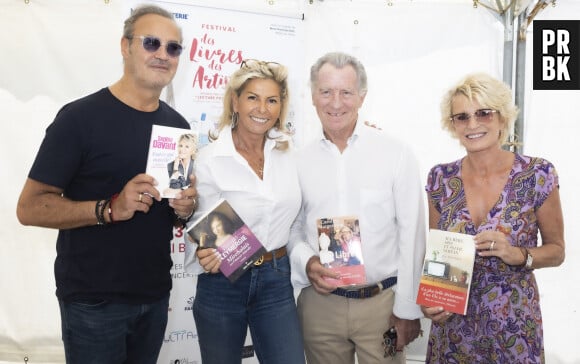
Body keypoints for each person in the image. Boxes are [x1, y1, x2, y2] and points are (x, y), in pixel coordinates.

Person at [15, 5, 197, 364]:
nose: (163, 54)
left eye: (173, 48)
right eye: (152, 43)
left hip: (155, 295)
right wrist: (109, 207)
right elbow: (30, 207)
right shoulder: (79, 118)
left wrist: (184, 209)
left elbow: (173, 215)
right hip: (94, 302)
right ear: (125, 46)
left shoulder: (177, 126)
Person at [288, 51, 425, 364]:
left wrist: (407, 310)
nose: (336, 103)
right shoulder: (298, 160)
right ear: (312, 97)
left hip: (382, 305)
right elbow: (293, 228)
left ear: (362, 97)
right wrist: (307, 261)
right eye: (326, 92)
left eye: (346, 92)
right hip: (320, 306)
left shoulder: (396, 153)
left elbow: (412, 234)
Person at [420, 72, 565, 363]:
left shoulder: (537, 174)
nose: (473, 124)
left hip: (513, 329)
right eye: (461, 117)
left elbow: (557, 251)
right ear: (452, 125)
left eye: (484, 113)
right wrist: (431, 302)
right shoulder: (440, 179)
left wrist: (518, 254)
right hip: (454, 331)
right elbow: (437, 256)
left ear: (502, 118)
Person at [183, 59, 305, 364]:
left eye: (272, 100)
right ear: (235, 102)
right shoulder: (209, 159)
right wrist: (205, 248)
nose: (262, 108)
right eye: (253, 97)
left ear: (280, 108)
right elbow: (200, 222)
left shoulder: (290, 153)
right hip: (223, 281)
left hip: (277, 276)